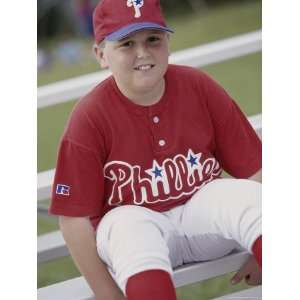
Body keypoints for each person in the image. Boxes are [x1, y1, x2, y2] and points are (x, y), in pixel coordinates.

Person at [49, 0, 262, 299]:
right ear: (101, 55)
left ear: (168, 43)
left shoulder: (197, 85)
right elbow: (72, 220)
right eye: (126, 43)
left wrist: (260, 250)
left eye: (153, 39)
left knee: (240, 194)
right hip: (136, 237)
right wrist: (109, 294)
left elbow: (255, 169)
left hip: (202, 218)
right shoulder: (90, 116)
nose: (143, 52)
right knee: (126, 225)